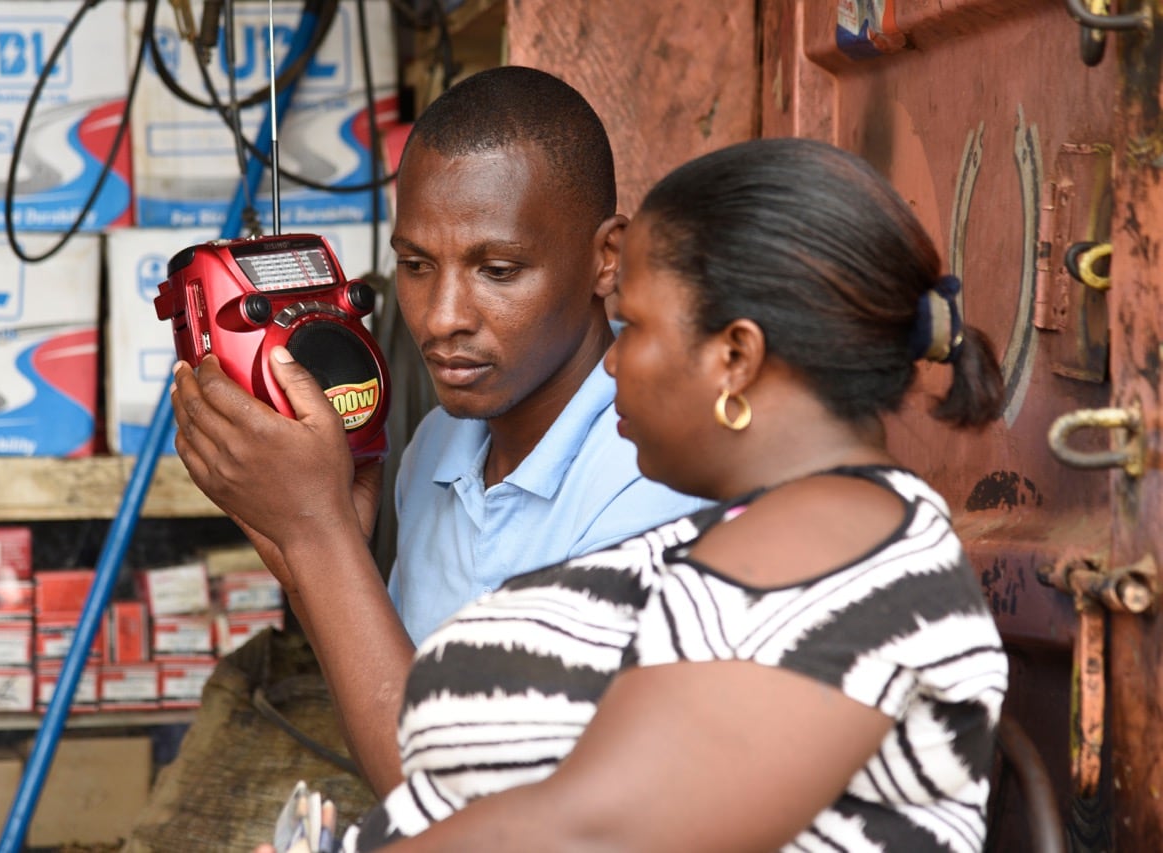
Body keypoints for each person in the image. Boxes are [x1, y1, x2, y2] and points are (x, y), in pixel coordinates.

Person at [258, 136, 1011, 852]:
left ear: (735, 358)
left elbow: (597, 830)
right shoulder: (769, 534)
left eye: (636, 326)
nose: (613, 362)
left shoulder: (845, 553)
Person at [169, 65, 708, 797]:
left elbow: (447, 795)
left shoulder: (658, 471)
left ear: (604, 257)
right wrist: (304, 554)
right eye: (416, 264)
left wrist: (317, 535)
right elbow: (394, 704)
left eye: (498, 268)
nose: (440, 315)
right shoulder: (436, 445)